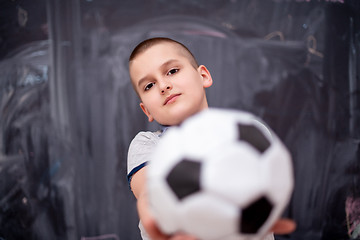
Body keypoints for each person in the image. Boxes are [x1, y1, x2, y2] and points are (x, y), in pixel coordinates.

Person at [127, 37, 295, 240]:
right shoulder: (147, 145)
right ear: (147, 110)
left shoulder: (249, 133)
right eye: (149, 86)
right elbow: (150, 193)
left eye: (172, 71)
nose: (163, 85)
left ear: (203, 76)